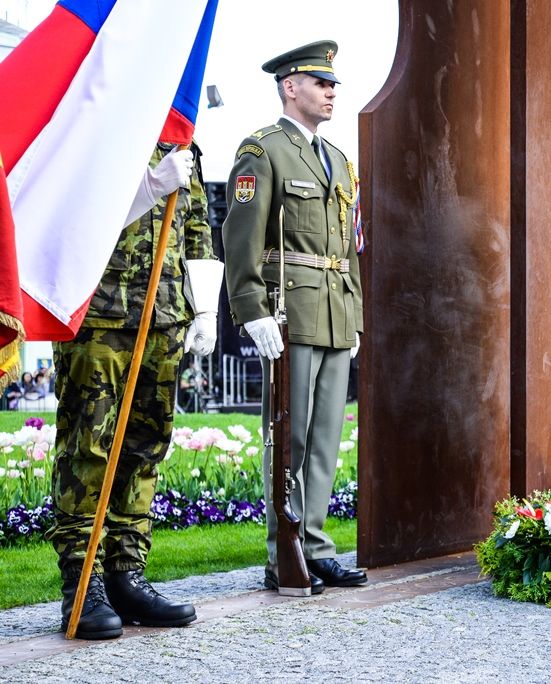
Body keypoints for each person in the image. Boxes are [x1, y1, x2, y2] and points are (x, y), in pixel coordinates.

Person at [47, 142, 222, 639]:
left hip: (165, 313)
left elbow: (196, 228)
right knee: (89, 449)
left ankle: (126, 574)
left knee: (146, 447)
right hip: (100, 313)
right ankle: (82, 586)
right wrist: (148, 187)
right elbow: (72, 213)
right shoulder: (106, 121)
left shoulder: (182, 137)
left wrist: (204, 307)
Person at [222, 40, 367, 592]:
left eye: (333, 84)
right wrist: (250, 308)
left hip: (332, 311)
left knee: (327, 435)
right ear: (290, 86)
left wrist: (353, 311)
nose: (332, 92)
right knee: (291, 437)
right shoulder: (264, 151)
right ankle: (283, 550)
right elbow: (241, 237)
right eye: (320, 82)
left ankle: (315, 544)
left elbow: (349, 248)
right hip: (289, 311)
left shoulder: (338, 161)